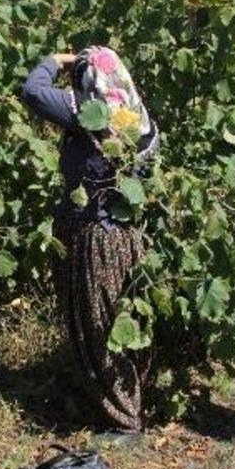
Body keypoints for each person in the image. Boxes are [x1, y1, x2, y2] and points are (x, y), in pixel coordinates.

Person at [20, 47, 160, 441]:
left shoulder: (87, 109)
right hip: (126, 237)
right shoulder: (139, 117)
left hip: (94, 237)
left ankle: (123, 419)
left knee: (98, 328)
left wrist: (56, 60)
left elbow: (33, 91)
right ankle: (125, 403)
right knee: (118, 324)